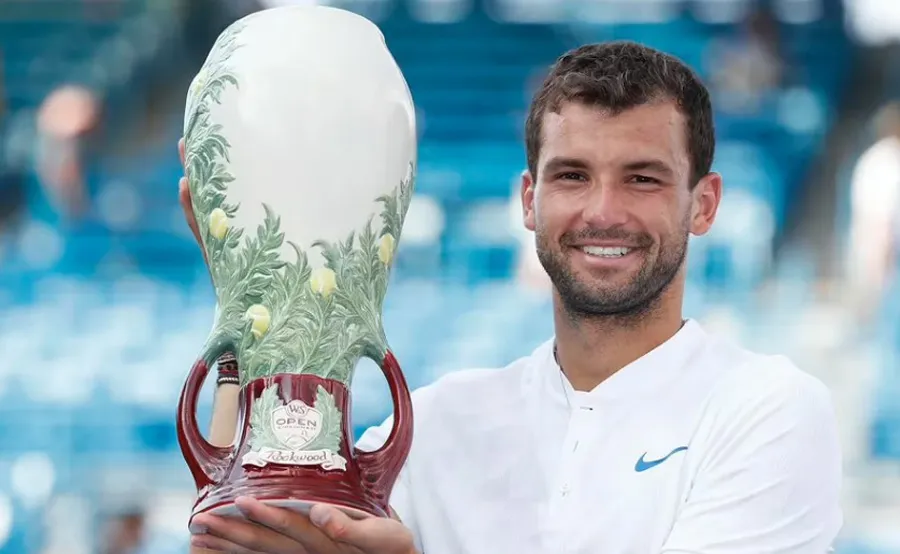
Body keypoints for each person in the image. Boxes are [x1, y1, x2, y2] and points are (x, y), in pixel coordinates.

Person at [182, 41, 843, 554]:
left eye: (642, 178)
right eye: (572, 175)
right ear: (529, 200)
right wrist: (251, 296)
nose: (602, 210)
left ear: (704, 205)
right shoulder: (436, 426)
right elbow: (244, 526)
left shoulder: (768, 410)